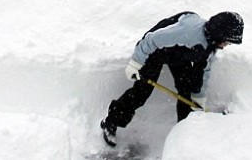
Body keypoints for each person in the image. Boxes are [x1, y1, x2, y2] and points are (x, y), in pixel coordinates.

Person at [99, 11, 244, 147]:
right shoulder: (187, 32)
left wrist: (198, 98)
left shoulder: (210, 47)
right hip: (155, 51)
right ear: (219, 34)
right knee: (142, 92)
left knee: (186, 93)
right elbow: (151, 40)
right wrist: (135, 64)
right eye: (227, 41)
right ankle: (111, 122)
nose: (227, 45)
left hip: (179, 54)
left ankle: (186, 135)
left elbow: (203, 72)